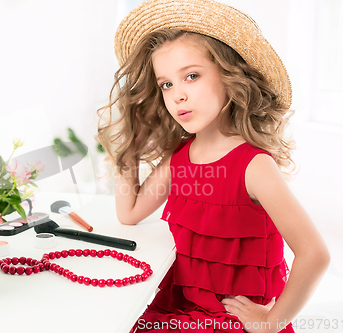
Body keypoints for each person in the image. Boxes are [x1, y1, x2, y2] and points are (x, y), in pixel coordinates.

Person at [96, 0, 330, 332]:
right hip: (180, 311)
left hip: (231, 320)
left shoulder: (254, 166)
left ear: (230, 77)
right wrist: (131, 143)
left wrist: (271, 322)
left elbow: (315, 255)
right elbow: (129, 212)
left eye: (191, 76)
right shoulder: (181, 156)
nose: (177, 95)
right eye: (166, 84)